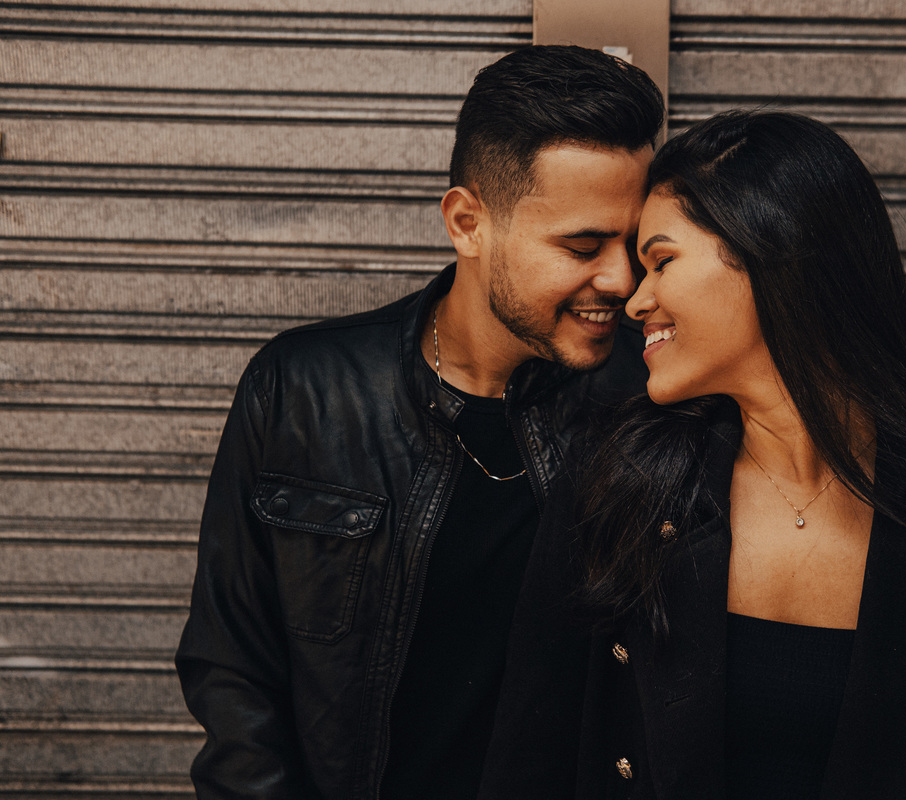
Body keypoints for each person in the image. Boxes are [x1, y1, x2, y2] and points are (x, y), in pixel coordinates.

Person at [477, 110, 906, 800]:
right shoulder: (618, 473)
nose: (636, 301)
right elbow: (530, 761)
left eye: (661, 261)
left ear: (773, 253)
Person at [174, 45, 662, 799]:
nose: (623, 280)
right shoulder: (305, 391)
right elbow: (235, 671)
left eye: (634, 244)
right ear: (468, 223)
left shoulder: (654, 397)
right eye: (582, 246)